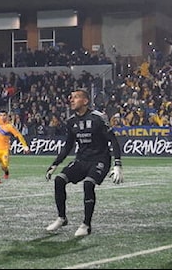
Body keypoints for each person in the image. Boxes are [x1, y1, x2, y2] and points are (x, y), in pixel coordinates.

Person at [44, 89, 123, 237]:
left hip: (100, 160)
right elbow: (68, 145)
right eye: (71, 97)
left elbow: (113, 140)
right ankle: (62, 218)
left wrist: (117, 164)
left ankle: (86, 224)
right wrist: (55, 164)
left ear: (85, 101)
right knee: (59, 180)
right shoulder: (71, 121)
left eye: (76, 97)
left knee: (88, 184)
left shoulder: (98, 118)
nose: (72, 100)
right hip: (82, 160)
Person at [0, 90, 30, 183]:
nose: (2, 117)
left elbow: (19, 135)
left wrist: (25, 146)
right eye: (1, 115)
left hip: (5, 149)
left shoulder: (10, 127)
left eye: (4, 115)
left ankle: (6, 172)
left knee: (4, 166)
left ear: (7, 116)